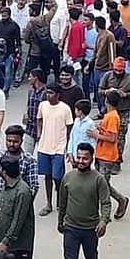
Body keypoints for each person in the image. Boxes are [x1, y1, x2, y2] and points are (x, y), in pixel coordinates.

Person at [58, 142, 111, 259]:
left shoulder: (99, 179)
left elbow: (106, 203)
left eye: (85, 158)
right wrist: (60, 222)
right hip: (71, 228)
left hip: (90, 230)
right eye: (79, 157)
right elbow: (62, 203)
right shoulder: (68, 178)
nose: (81, 161)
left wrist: (103, 221)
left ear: (91, 159)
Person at [0, 157, 36, 259]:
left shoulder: (22, 191)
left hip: (18, 245)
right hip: (3, 242)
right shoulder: (6, 186)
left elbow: (18, 221)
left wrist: (6, 241)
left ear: (4, 172)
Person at [87, 92, 130, 220]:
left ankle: (107, 211)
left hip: (107, 155)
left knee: (102, 186)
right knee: (103, 183)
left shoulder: (112, 117)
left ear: (107, 101)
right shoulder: (109, 116)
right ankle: (120, 200)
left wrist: (97, 135)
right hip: (101, 153)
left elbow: (112, 138)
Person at [36, 83, 74, 217]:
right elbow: (39, 120)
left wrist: (68, 146)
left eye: (51, 93)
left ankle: (60, 201)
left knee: (58, 177)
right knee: (47, 176)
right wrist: (39, 133)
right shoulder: (43, 106)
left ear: (58, 95)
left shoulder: (65, 109)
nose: (48, 95)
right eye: (47, 93)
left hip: (59, 147)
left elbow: (70, 127)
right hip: (44, 146)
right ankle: (49, 204)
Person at [0, 125, 39, 215]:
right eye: (9, 141)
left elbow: (33, 187)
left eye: (15, 142)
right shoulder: (0, 156)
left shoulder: (29, 160)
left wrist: (24, 208)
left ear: (21, 141)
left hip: (17, 205)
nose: (11, 144)